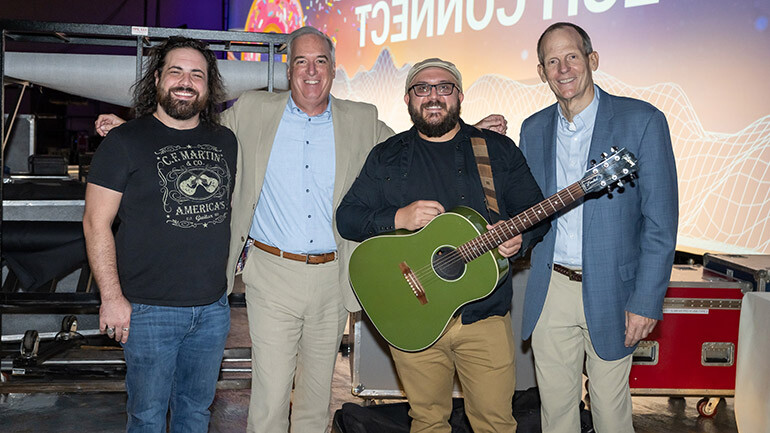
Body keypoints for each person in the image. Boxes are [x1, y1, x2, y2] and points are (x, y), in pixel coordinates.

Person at [96, 26, 506, 433]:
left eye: (321, 61)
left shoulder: (362, 119)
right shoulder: (254, 111)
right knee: (270, 399)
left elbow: (416, 150)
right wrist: (131, 127)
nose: (311, 71)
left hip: (333, 277)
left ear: (333, 68)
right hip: (272, 275)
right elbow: (189, 124)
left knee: (315, 399)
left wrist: (468, 135)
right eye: (301, 62)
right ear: (288, 68)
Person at [336, 58, 548, 433]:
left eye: (444, 87)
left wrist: (522, 238)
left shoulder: (497, 150)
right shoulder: (387, 155)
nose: (433, 96)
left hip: (484, 315)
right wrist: (398, 217)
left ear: (460, 96)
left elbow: (536, 212)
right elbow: (348, 217)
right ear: (408, 99)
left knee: (496, 424)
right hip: (411, 314)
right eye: (423, 88)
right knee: (427, 422)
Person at [518, 22, 678, 433]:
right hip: (551, 288)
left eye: (572, 56)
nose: (563, 68)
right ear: (541, 73)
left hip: (615, 290)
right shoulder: (533, 129)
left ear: (592, 60)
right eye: (551, 61)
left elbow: (660, 223)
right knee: (555, 412)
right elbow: (528, 210)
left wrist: (646, 300)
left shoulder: (642, 120)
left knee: (610, 410)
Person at [83, 36, 237, 432]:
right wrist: (111, 299)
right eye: (176, 71)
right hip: (147, 311)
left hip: (213, 310)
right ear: (157, 79)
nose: (186, 81)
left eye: (197, 74)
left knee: (196, 413)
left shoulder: (225, 141)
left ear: (209, 86)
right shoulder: (124, 142)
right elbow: (95, 223)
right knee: (147, 417)